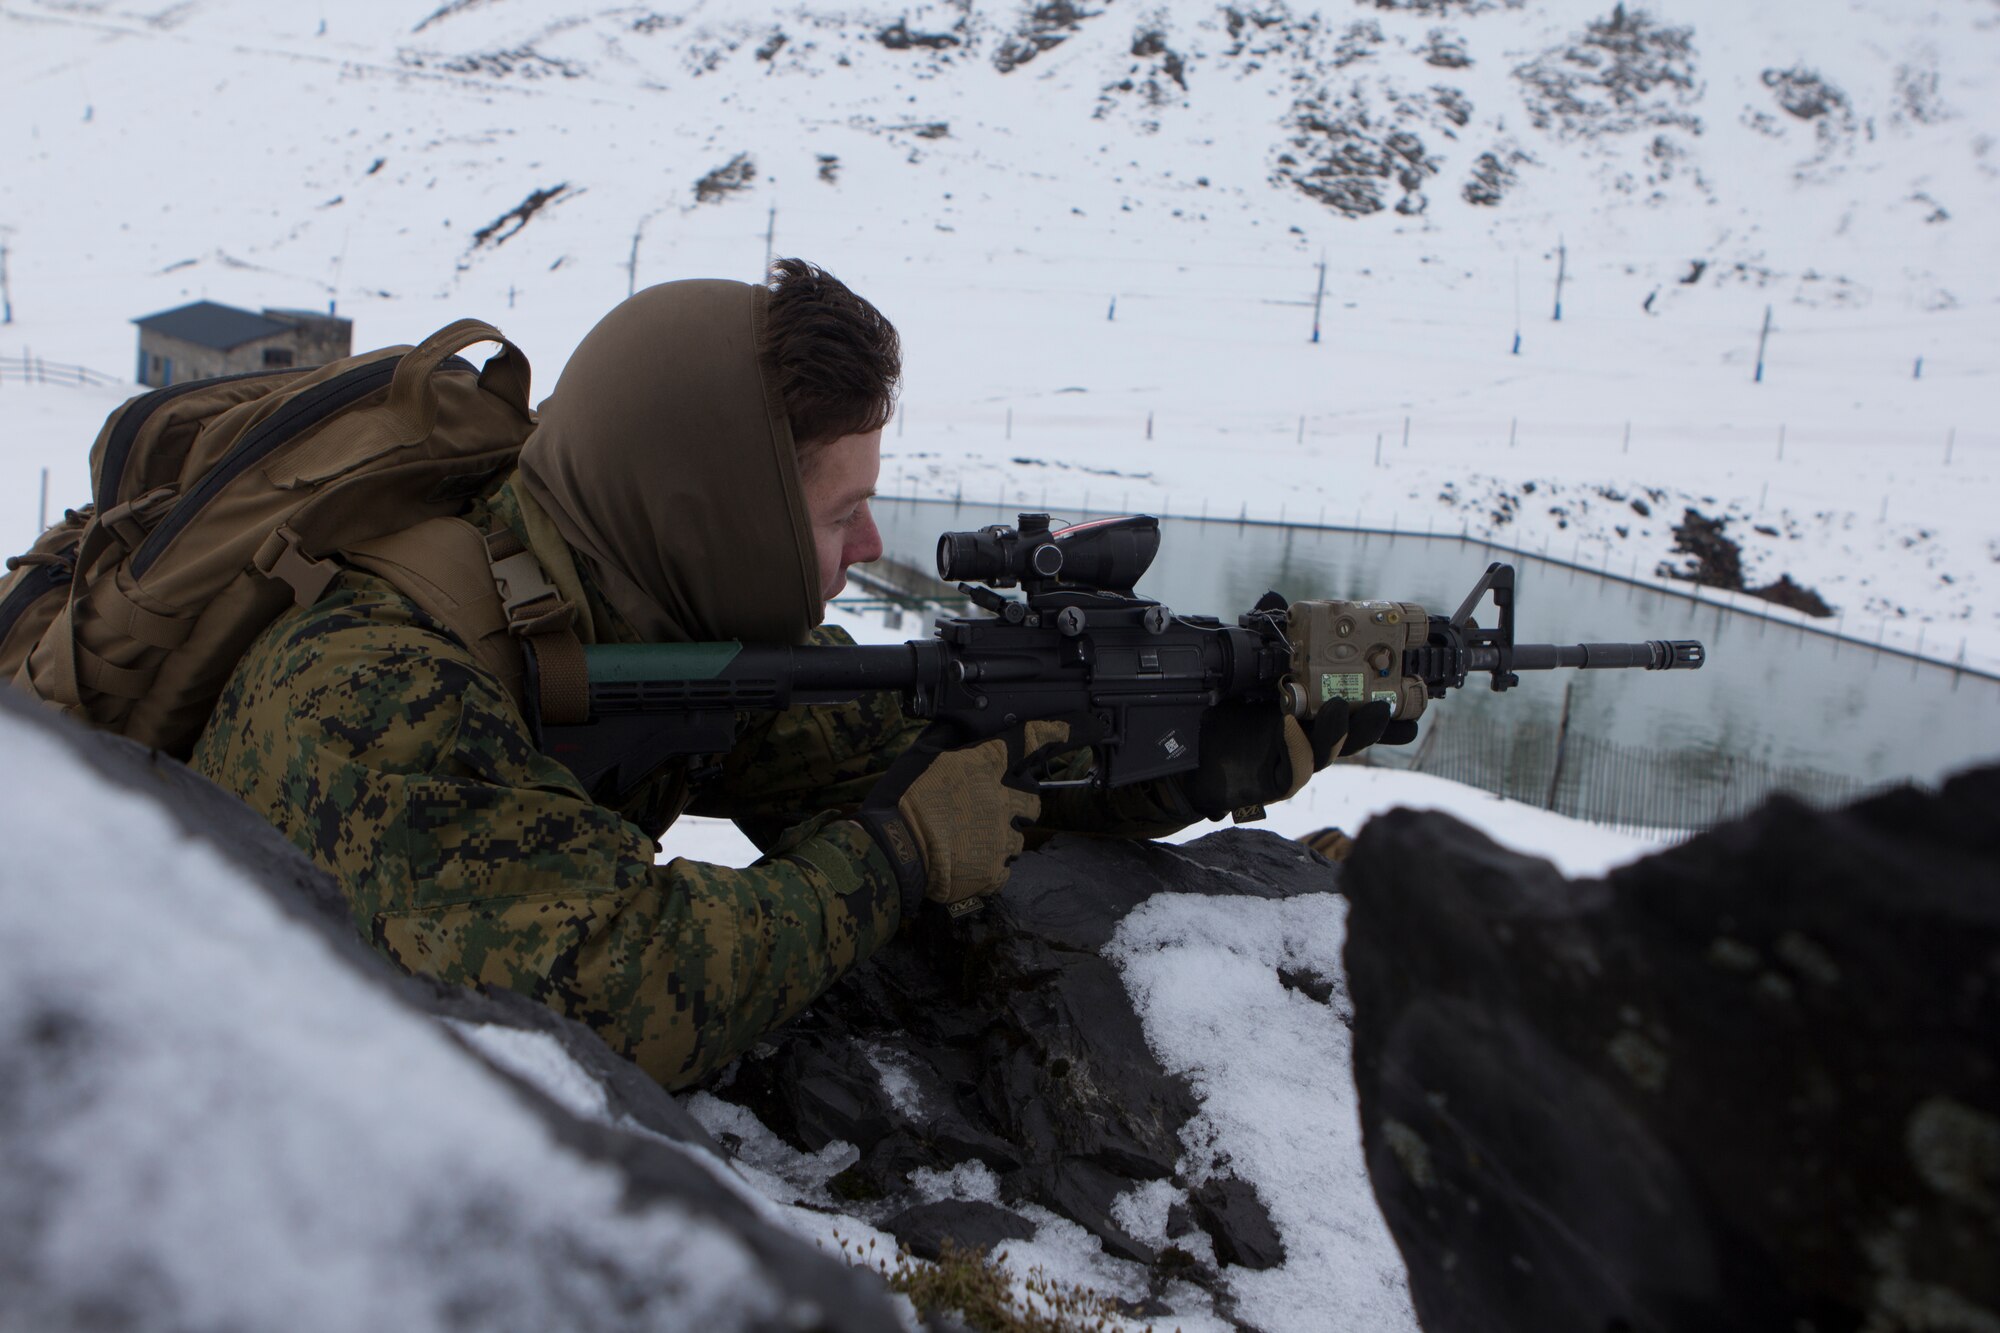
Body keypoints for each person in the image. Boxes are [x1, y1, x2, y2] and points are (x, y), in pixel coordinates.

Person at [190, 261, 1393, 1091]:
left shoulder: (646, 596)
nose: (870, 550)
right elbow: (622, 994)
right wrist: (892, 859)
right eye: (841, 514)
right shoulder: (378, 687)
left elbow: (937, 772)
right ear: (722, 518)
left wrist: (1214, 744)